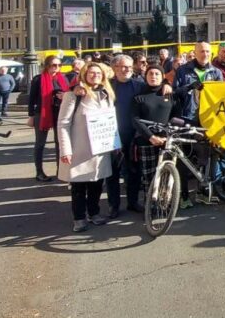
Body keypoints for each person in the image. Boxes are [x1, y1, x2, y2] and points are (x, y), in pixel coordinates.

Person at [57, 61, 116, 233]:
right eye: (91, 73)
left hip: (100, 149)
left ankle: (94, 212)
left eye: (98, 73)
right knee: (78, 186)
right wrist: (65, 149)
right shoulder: (73, 96)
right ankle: (79, 217)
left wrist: (114, 143)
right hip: (79, 149)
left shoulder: (107, 94)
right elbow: (63, 124)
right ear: (84, 75)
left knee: (97, 183)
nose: (95, 75)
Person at [106, 54, 147, 218]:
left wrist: (166, 87)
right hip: (111, 135)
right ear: (114, 68)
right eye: (123, 67)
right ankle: (113, 205)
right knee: (112, 172)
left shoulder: (139, 85)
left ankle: (133, 202)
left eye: (130, 67)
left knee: (134, 170)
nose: (127, 70)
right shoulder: (106, 86)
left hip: (133, 135)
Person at [132, 65, 177, 195]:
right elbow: (135, 119)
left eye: (157, 74)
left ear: (163, 77)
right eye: (150, 74)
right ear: (145, 76)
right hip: (146, 140)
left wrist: (167, 135)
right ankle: (150, 204)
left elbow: (176, 116)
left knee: (168, 174)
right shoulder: (139, 97)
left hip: (167, 140)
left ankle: (166, 203)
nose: (153, 76)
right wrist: (150, 136)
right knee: (149, 177)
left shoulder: (170, 94)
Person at [28, 56, 71, 182]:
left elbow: (69, 95)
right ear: (47, 65)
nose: (56, 68)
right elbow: (31, 99)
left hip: (59, 113)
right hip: (42, 113)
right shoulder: (38, 79)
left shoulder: (63, 78)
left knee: (60, 143)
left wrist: (64, 96)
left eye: (59, 65)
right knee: (40, 143)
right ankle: (39, 172)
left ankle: (61, 170)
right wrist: (31, 116)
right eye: (53, 65)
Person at [173, 41, 222, 124]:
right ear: (195, 53)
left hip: (209, 116)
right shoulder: (182, 70)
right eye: (202, 51)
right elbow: (174, 92)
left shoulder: (216, 72)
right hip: (188, 117)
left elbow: (220, 95)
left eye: (207, 51)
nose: (205, 54)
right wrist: (189, 87)